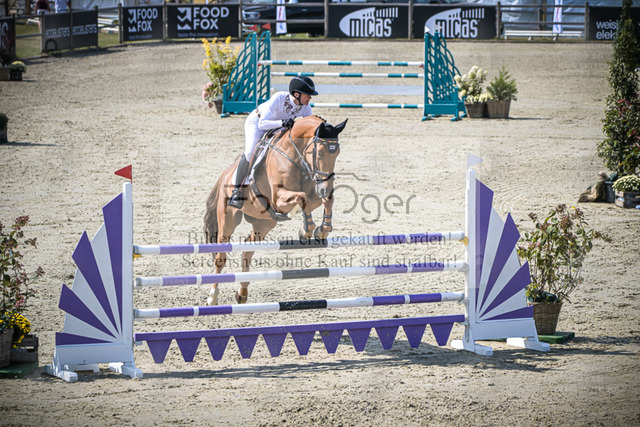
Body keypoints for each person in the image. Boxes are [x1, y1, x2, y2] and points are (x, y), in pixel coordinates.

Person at [227, 76, 318, 212]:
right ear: (296, 94)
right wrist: (283, 123)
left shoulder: (306, 108)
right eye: (308, 95)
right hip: (258, 122)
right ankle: (237, 191)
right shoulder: (279, 98)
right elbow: (262, 124)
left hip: (279, 126)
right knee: (250, 151)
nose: (310, 98)